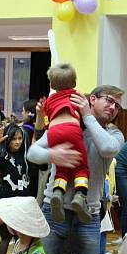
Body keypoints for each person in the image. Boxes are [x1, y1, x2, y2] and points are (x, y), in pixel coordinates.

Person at [27, 85, 124, 254]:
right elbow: (33, 153)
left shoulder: (112, 133)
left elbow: (106, 148)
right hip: (54, 213)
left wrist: (87, 116)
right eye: (109, 101)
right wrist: (52, 156)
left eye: (117, 105)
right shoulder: (65, 123)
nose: (113, 108)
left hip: (89, 217)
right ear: (92, 99)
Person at [44, 63, 91, 223]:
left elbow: (46, 121)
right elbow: (86, 114)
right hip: (72, 128)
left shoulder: (49, 101)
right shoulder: (76, 95)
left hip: (53, 131)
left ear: (51, 84)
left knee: (62, 168)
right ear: (74, 83)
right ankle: (79, 196)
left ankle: (57, 193)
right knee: (81, 167)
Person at [0, 123, 32, 254]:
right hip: (6, 200)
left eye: (20, 138)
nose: (17, 141)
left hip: (23, 201)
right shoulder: (2, 155)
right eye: (14, 139)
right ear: (8, 140)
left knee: (23, 237)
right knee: (5, 237)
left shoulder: (25, 155)